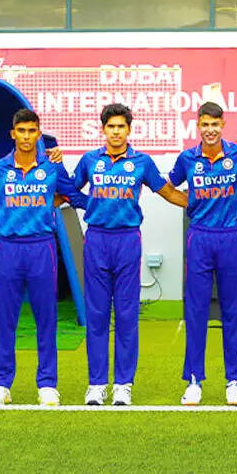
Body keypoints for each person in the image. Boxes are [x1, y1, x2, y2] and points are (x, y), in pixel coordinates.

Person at [72, 103, 187, 406]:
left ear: (129, 130)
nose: (116, 132)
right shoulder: (89, 160)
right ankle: (97, 384)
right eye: (111, 127)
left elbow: (167, 192)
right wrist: (86, 204)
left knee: (126, 315)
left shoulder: (141, 162)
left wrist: (204, 204)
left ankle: (123, 384)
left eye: (121, 127)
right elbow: (68, 191)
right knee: (97, 315)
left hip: (127, 241)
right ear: (103, 129)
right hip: (96, 240)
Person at [0, 108, 86, 408]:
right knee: (5, 318)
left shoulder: (52, 167)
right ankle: (1, 384)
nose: (26, 137)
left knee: (46, 318)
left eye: (32, 131)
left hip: (42, 247)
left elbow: (74, 195)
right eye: (21, 131)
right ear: (12, 134)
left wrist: (106, 207)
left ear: (39, 135)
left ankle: (47, 384)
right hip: (9, 248)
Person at [167, 101, 237, 406]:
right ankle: (194, 380)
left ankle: (234, 381)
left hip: (229, 236)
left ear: (223, 125)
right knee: (196, 310)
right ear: (198, 126)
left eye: (215, 124)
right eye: (205, 124)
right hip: (200, 237)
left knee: (232, 309)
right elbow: (168, 187)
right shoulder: (187, 158)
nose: (210, 130)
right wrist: (190, 202)